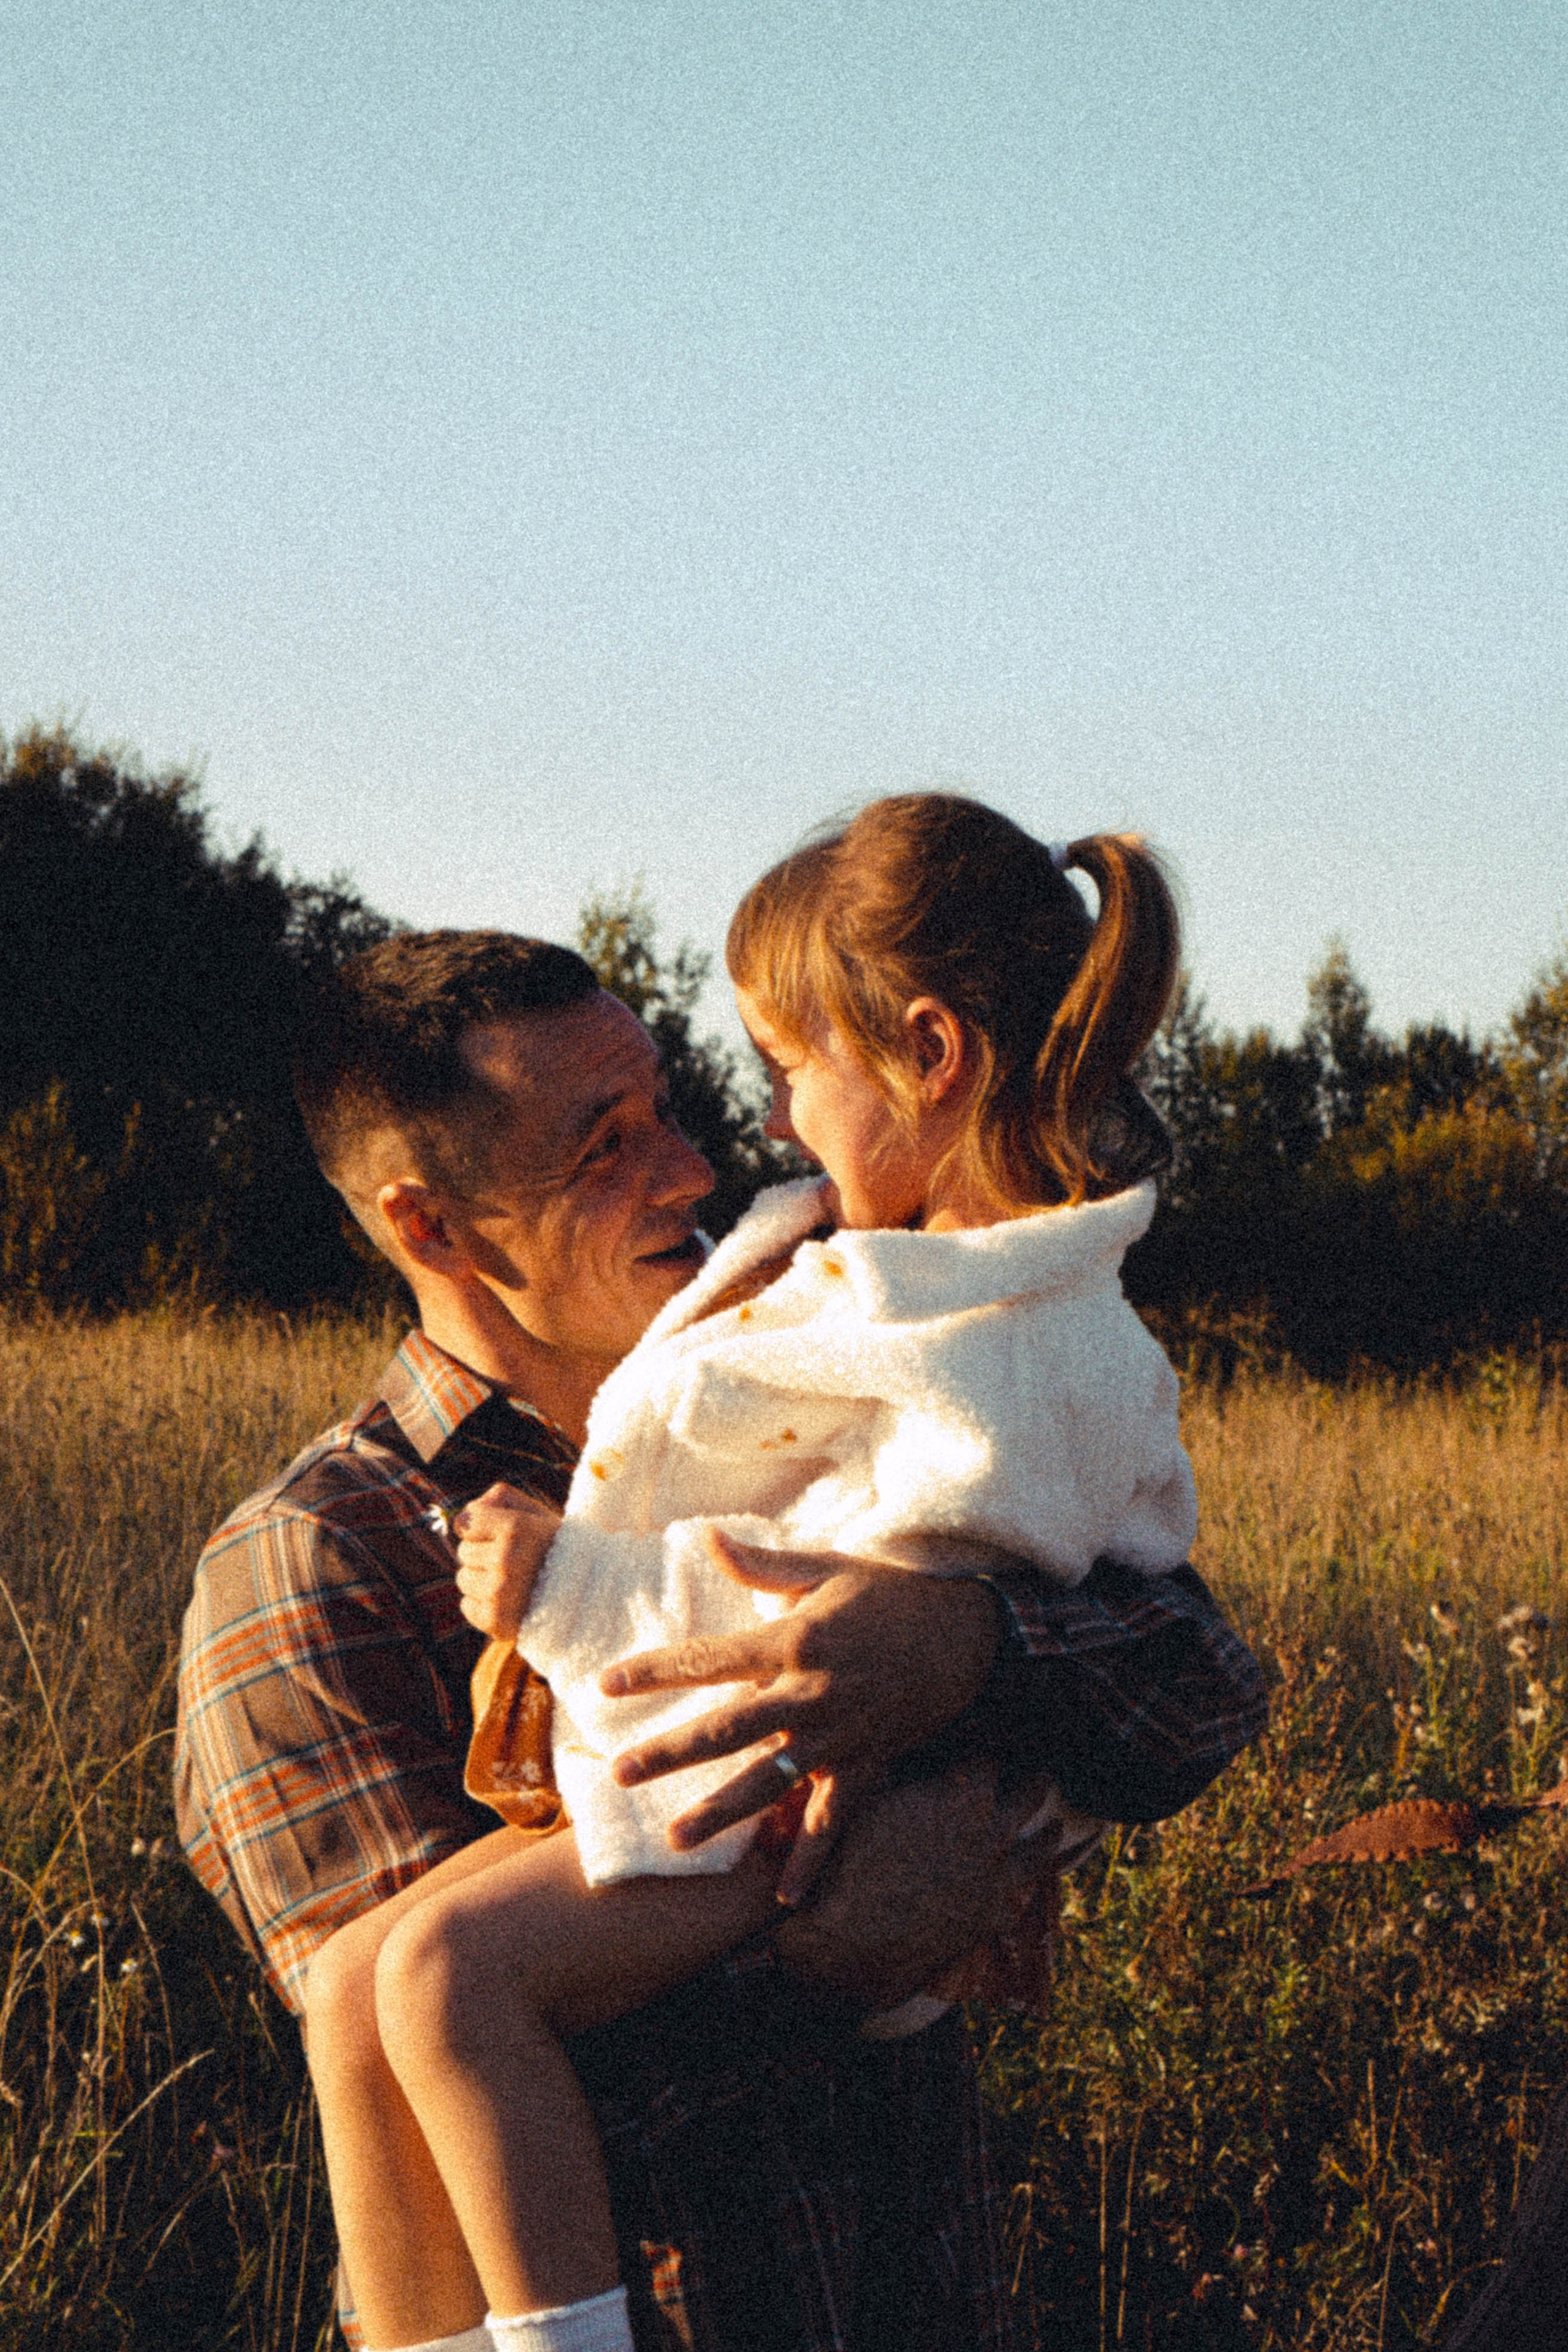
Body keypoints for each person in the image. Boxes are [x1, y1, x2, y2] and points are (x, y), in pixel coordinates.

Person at [175, 916, 1267, 2352]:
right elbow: (421, 2073)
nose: (687, 1172)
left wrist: (967, 1654)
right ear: (427, 1226)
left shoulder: (811, 1383)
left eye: (667, 1111)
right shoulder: (319, 1566)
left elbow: (1201, 1688)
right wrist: (851, 1932)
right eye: (599, 1146)